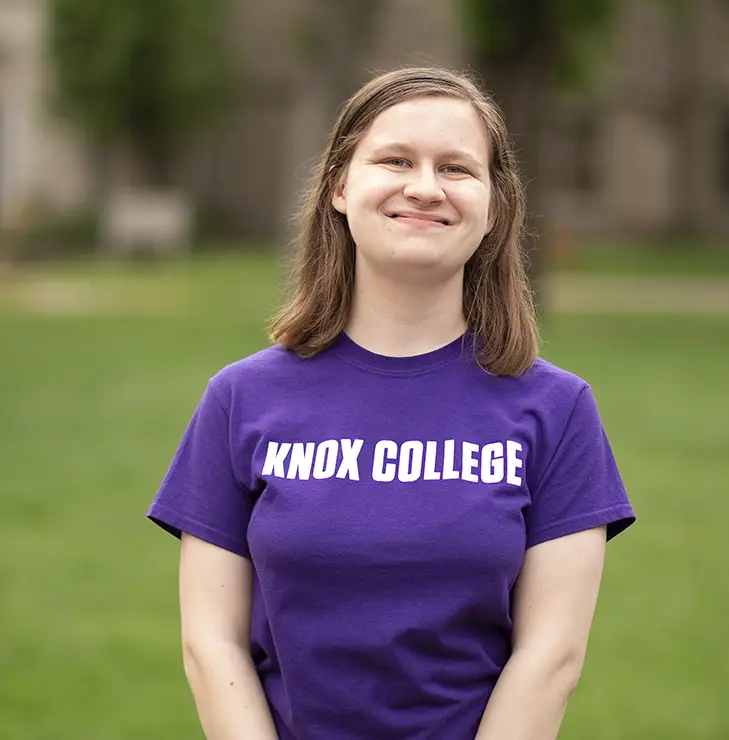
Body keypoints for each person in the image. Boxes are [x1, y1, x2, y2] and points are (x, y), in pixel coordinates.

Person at [147, 66, 635, 740]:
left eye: (457, 169)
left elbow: (551, 658)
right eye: (396, 160)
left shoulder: (557, 410)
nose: (424, 187)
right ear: (341, 188)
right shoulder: (239, 400)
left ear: (494, 205)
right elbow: (211, 643)